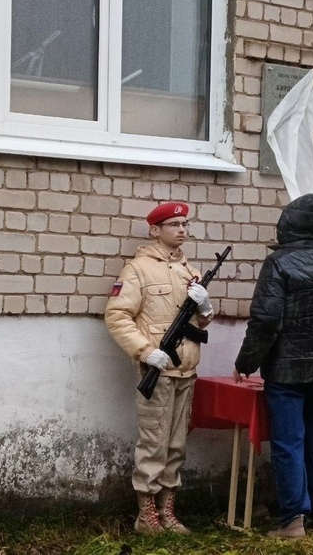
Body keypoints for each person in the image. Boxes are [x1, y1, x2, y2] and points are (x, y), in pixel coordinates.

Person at [232, 193, 313, 539]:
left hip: (288, 371)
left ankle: (292, 521)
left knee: (290, 442)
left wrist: (246, 362)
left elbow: (265, 320)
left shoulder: (279, 263)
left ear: (291, 222)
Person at [105, 201, 214, 534]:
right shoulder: (137, 269)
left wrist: (206, 307)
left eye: (185, 224)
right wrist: (145, 351)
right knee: (153, 443)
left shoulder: (187, 270)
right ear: (155, 230)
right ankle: (146, 515)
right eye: (174, 224)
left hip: (186, 370)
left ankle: (168, 511)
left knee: (177, 443)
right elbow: (117, 315)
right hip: (159, 370)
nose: (182, 229)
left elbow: (198, 321)